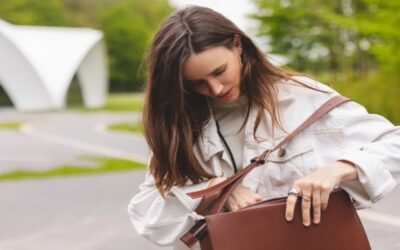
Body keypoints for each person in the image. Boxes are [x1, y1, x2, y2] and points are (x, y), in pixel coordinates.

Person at [128, 5, 399, 250]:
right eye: (197, 83)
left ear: (237, 45)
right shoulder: (182, 127)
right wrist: (215, 191)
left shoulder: (302, 98)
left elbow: (394, 144)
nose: (215, 88)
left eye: (219, 71)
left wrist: (339, 168)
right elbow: (148, 217)